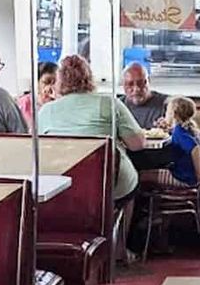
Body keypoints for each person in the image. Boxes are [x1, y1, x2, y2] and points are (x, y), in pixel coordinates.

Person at [39, 54, 145, 204]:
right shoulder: (110, 103)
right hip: (110, 186)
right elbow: (138, 144)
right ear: (89, 77)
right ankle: (120, 226)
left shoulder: (46, 111)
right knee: (129, 186)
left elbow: (36, 151)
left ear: (59, 81)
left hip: (63, 188)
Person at [142, 96, 200, 189]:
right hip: (187, 173)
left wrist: (199, 172)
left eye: (167, 112)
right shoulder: (189, 128)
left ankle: (141, 203)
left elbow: (195, 148)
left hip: (183, 177)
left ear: (174, 114)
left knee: (141, 175)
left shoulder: (179, 132)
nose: (165, 115)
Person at [120, 63, 169, 130]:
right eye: (130, 84)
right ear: (123, 85)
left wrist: (170, 127)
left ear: (148, 81)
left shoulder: (168, 104)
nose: (136, 89)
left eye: (141, 83)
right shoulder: (117, 107)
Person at [17, 60, 57, 127]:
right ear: (36, 83)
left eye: (55, 83)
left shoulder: (60, 103)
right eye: (46, 82)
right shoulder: (24, 104)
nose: (51, 87)